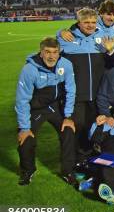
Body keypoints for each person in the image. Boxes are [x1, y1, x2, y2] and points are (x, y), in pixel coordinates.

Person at [15, 38, 77, 185]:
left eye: (55, 52)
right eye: (47, 52)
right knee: (25, 138)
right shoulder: (30, 69)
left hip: (55, 106)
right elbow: (22, 99)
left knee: (68, 131)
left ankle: (67, 171)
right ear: (41, 52)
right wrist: (24, 128)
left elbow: (71, 90)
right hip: (36, 109)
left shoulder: (66, 64)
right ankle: (28, 170)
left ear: (59, 52)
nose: (51, 56)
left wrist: (68, 116)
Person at [57, 7, 114, 160]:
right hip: (76, 94)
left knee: (93, 125)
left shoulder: (102, 36)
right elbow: (51, 57)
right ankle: (76, 159)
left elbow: (112, 63)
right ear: (78, 22)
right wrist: (61, 32)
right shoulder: (66, 38)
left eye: (93, 22)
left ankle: (90, 156)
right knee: (78, 127)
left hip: (97, 93)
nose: (90, 25)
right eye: (86, 22)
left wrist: (110, 51)